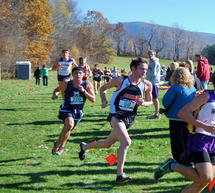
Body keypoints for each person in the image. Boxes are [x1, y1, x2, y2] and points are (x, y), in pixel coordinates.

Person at [79, 57, 153, 182]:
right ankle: (120, 174)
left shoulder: (146, 85)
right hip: (116, 116)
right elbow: (103, 89)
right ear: (133, 68)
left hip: (129, 119)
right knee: (126, 142)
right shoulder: (120, 80)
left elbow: (150, 101)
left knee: (108, 143)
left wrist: (143, 103)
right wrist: (103, 100)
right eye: (141, 69)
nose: (144, 72)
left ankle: (85, 147)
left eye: (146, 69)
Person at [154, 72, 215, 193]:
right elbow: (183, 113)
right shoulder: (206, 96)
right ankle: (173, 165)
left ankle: (172, 165)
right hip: (200, 138)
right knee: (206, 177)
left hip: (213, 141)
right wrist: (204, 126)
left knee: (203, 181)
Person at [51, 67, 95, 156]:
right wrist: (55, 95)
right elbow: (57, 90)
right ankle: (62, 146)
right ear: (72, 74)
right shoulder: (67, 84)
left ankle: (57, 144)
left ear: (84, 75)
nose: (78, 75)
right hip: (66, 108)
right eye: (75, 73)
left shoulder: (87, 84)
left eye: (80, 73)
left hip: (78, 111)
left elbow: (93, 99)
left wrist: (84, 91)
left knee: (68, 128)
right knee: (70, 125)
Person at [162, 67, 196, 165]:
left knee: (177, 142)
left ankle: (179, 160)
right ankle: (189, 159)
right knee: (187, 140)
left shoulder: (175, 88)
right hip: (189, 117)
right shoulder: (192, 88)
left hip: (175, 117)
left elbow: (166, 102)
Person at [146, 50, 161, 119]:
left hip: (154, 83)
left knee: (155, 99)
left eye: (151, 54)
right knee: (154, 98)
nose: (150, 55)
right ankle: (156, 113)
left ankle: (157, 114)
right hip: (151, 82)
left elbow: (154, 73)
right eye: (149, 54)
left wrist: (146, 69)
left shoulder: (155, 63)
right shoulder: (151, 62)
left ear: (154, 55)